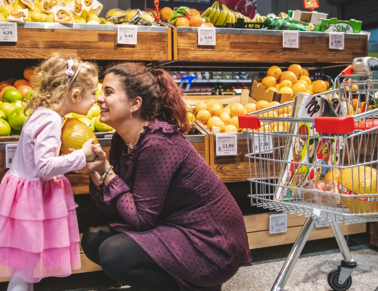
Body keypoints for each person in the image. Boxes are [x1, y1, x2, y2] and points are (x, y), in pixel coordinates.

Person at [80, 63, 252, 291]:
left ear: (135, 103)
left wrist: (106, 171)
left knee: (113, 254)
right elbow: (115, 209)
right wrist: (96, 170)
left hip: (208, 241)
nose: (99, 99)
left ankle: (199, 286)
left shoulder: (157, 142)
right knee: (93, 239)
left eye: (108, 92)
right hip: (171, 225)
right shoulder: (121, 140)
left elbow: (141, 219)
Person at [0, 54, 99, 291]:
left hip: (27, 196)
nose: (96, 100)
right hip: (32, 202)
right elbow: (44, 168)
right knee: (24, 271)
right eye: (93, 93)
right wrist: (81, 155)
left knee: (25, 267)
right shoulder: (52, 120)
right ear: (75, 95)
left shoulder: (45, 114)